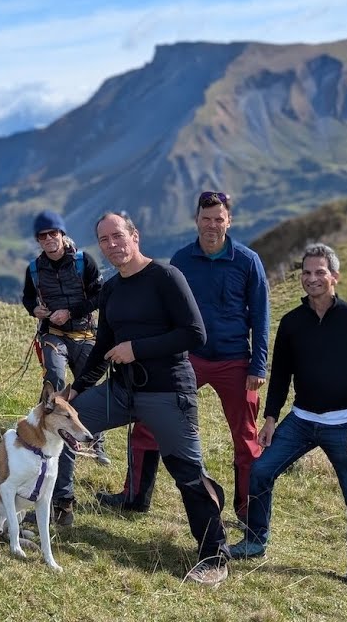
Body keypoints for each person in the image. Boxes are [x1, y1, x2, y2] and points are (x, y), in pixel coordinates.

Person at [63, 211, 231, 586]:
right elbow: (103, 347)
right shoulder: (111, 289)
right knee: (55, 428)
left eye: (117, 236)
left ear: (134, 235)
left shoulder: (166, 277)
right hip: (122, 391)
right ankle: (54, 506)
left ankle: (214, 557)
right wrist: (73, 392)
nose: (111, 245)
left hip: (167, 392)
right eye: (104, 240)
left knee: (187, 473)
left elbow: (194, 333)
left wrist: (137, 349)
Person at [98, 190, 270, 528]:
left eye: (218, 219)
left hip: (236, 361)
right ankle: (135, 497)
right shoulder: (182, 260)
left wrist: (259, 364)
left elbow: (261, 316)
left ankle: (248, 512)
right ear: (197, 221)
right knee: (147, 420)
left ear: (229, 221)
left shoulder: (248, 261)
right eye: (205, 219)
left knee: (246, 438)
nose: (212, 225)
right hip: (187, 357)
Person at [229, 243, 347, 587]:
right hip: (302, 420)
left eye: (320, 272)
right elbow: (280, 376)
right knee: (260, 470)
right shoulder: (292, 322)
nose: (312, 279)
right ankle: (256, 540)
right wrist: (272, 418)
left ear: (334, 276)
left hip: (345, 423)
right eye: (306, 272)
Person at [20, 210, 106, 527]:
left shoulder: (84, 262)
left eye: (52, 234)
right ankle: (51, 423)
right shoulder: (33, 269)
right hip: (53, 335)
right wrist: (37, 310)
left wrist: (70, 311)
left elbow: (99, 295)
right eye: (42, 236)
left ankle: (95, 442)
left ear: (63, 234)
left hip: (85, 334)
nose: (48, 240)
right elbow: (28, 299)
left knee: (88, 388)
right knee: (55, 378)